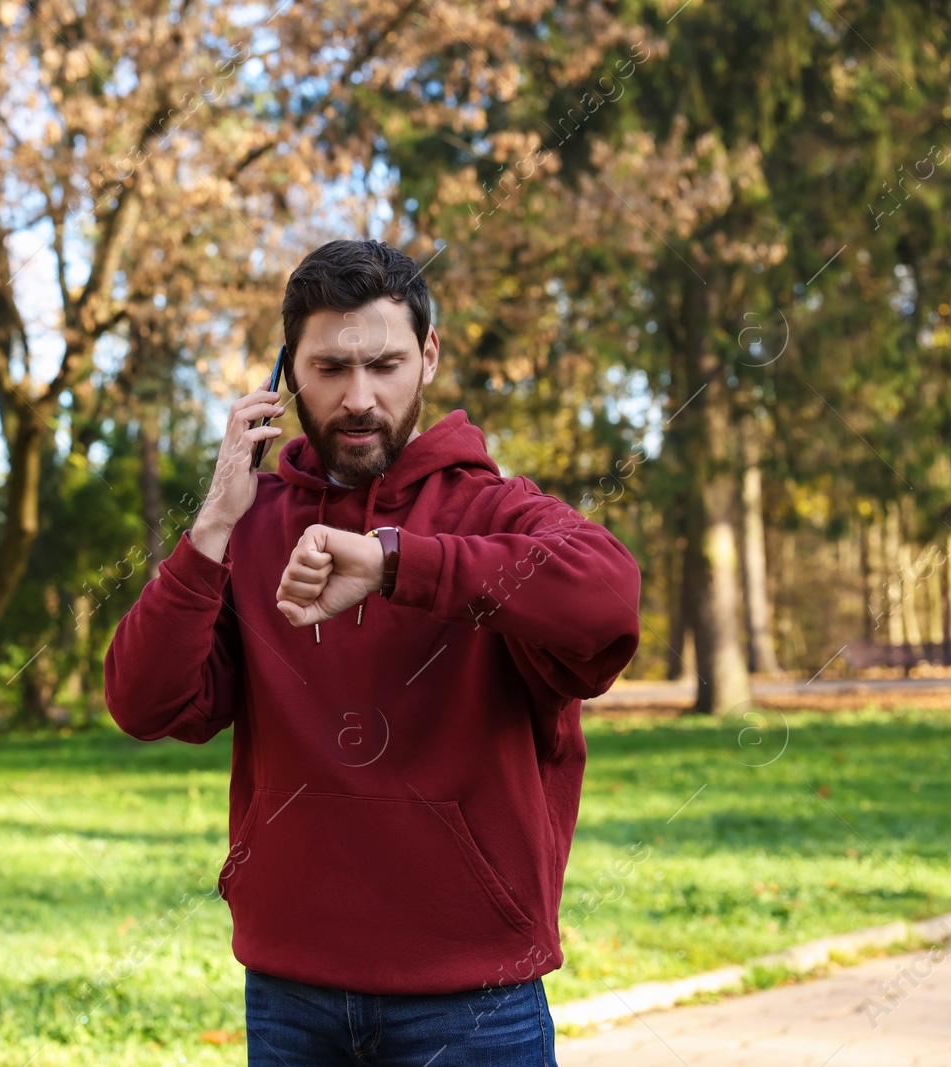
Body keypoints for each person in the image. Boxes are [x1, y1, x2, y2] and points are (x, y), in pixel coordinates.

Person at [103, 239, 642, 1065]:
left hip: (472, 1001)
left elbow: (608, 596)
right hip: (290, 994)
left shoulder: (494, 510)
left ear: (428, 356)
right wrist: (212, 522)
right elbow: (144, 701)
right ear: (286, 374)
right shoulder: (245, 523)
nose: (360, 397)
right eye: (330, 368)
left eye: (385, 364)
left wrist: (399, 562)